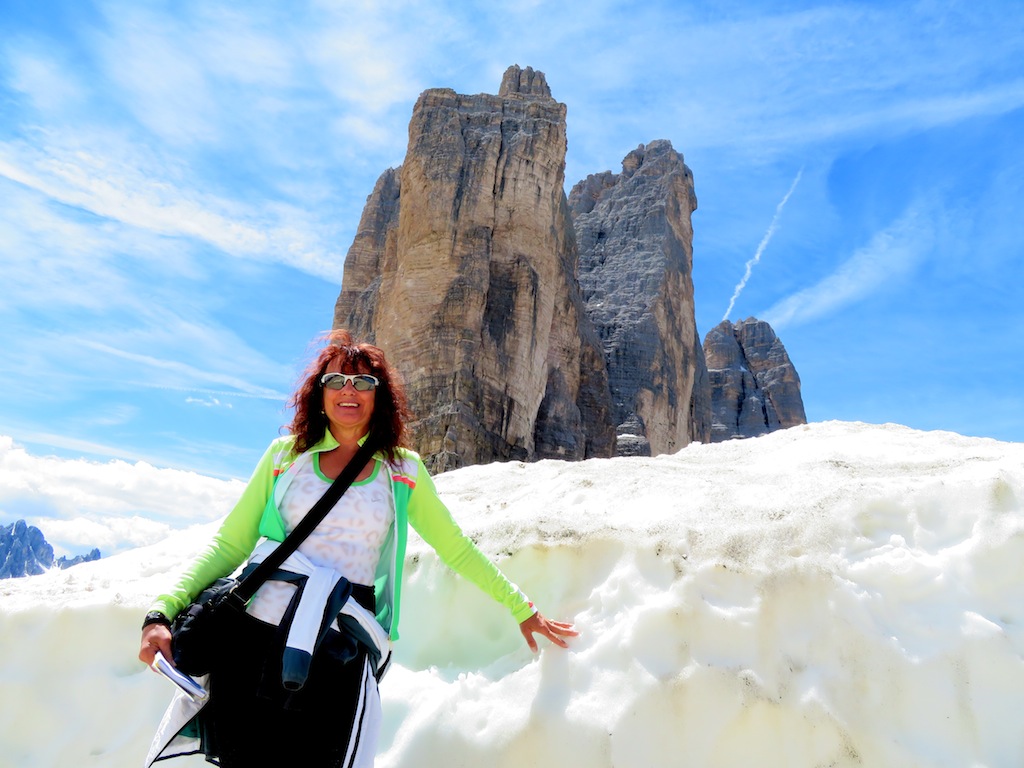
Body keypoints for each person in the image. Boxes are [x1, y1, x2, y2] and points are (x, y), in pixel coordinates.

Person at [139, 330, 577, 767]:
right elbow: (230, 544)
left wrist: (521, 606)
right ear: (320, 393)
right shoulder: (284, 456)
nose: (349, 391)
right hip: (252, 639)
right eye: (337, 381)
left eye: (363, 382)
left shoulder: (403, 470)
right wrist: (160, 612)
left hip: (337, 649)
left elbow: (456, 548)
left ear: (379, 396)